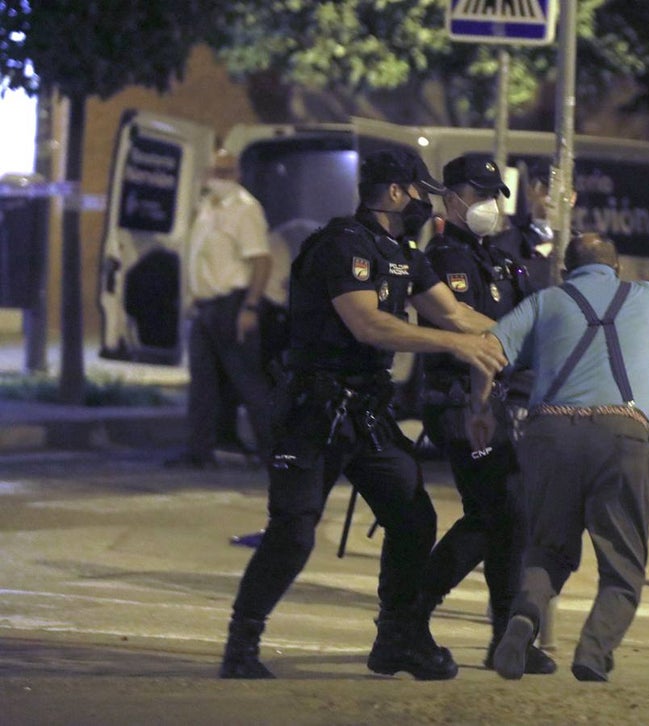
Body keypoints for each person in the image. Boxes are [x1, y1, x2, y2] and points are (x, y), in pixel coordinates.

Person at [218, 149, 507, 681]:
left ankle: (397, 638)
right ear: (396, 192)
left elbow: (457, 313)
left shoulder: (403, 252)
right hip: (314, 410)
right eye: (421, 191)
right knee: (294, 534)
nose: (427, 202)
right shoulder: (341, 245)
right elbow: (368, 325)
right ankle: (242, 642)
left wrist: (523, 339)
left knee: (413, 518)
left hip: (367, 412)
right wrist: (456, 346)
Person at [467, 232, 649, 682]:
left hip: (549, 436)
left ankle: (522, 622)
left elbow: (487, 349)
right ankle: (593, 651)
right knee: (622, 564)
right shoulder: (644, 295)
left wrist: (480, 411)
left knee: (547, 550)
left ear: (566, 271)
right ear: (618, 268)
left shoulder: (546, 301)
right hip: (620, 434)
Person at [416, 155, 555, 675]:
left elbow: (530, 320)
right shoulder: (444, 259)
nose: (490, 205)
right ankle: (409, 614)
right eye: (479, 194)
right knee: (496, 512)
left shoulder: (499, 259)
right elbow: (474, 333)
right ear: (451, 198)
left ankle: (503, 637)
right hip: (462, 405)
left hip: (498, 405)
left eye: (496, 194)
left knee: (508, 517)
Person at [165, 148, 275, 469]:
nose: (221, 179)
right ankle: (198, 451)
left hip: (233, 304)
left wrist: (251, 307)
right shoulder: (206, 207)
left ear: (238, 175)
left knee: (248, 382)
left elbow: (261, 261)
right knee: (202, 384)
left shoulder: (245, 209)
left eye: (227, 172)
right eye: (216, 172)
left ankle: (274, 455)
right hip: (205, 307)